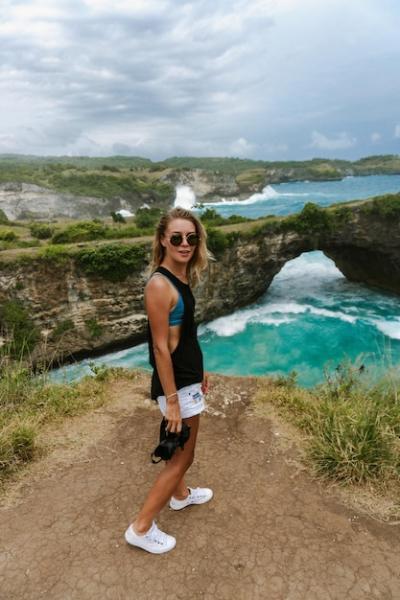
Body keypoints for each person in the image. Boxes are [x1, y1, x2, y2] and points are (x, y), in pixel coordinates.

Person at [124, 206, 213, 554]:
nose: (184, 243)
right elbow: (161, 349)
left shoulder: (181, 278)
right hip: (178, 386)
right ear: (162, 240)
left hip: (187, 379)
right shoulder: (160, 285)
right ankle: (141, 528)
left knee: (178, 451)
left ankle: (180, 496)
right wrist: (173, 401)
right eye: (176, 237)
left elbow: (183, 335)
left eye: (191, 237)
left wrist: (200, 366)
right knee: (182, 459)